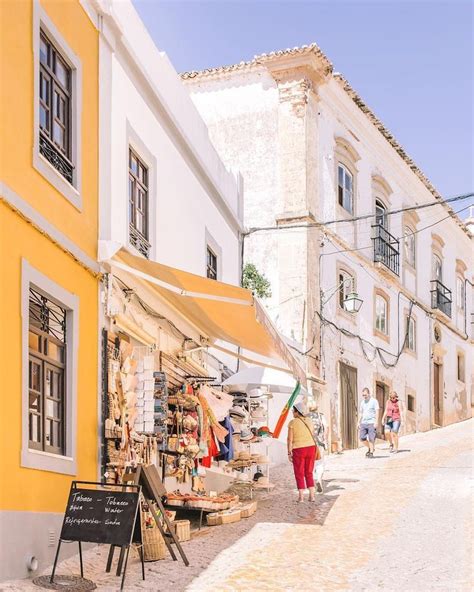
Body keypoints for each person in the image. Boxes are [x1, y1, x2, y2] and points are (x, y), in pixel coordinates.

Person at [287, 402, 319, 502]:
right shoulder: (309, 421)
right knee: (309, 472)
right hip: (311, 448)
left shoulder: (292, 423)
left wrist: (289, 452)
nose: (292, 412)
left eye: (294, 411)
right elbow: (313, 434)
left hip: (299, 449)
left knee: (299, 472)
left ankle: (301, 497)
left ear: (298, 412)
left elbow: (289, 439)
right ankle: (312, 496)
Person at [308, 402, 328, 493]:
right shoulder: (321, 416)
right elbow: (326, 428)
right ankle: (319, 480)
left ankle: (311, 484)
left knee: (310, 464)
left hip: (308, 443)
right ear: (317, 408)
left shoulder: (306, 417)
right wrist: (325, 440)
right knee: (320, 463)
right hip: (319, 443)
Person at [358, 387, 379, 458]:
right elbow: (361, 413)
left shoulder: (374, 401)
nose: (364, 396)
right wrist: (358, 422)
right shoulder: (362, 402)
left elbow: (377, 411)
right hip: (363, 422)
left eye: (365, 395)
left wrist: (376, 422)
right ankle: (371, 448)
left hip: (371, 422)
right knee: (362, 438)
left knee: (371, 438)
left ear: (369, 394)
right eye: (363, 395)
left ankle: (371, 452)